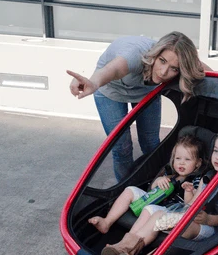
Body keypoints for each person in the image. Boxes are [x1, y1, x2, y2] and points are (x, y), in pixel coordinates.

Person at [67, 32, 209, 181]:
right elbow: (113, 70)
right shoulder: (135, 55)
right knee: (121, 147)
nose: (163, 72)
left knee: (151, 143)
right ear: (155, 54)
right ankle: (125, 187)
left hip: (145, 92)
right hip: (110, 90)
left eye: (174, 68)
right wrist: (93, 83)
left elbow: (211, 75)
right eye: (162, 61)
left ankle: (155, 184)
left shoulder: (179, 60)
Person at [101, 129, 218, 255]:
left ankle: (135, 253)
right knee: (156, 214)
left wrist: (208, 220)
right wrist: (186, 200)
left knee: (169, 220)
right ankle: (124, 248)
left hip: (212, 228)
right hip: (193, 217)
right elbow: (192, 204)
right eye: (216, 151)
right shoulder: (209, 176)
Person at [88, 133, 207, 249]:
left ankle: (126, 244)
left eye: (187, 159)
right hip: (154, 200)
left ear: (197, 163)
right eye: (178, 158)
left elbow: (188, 206)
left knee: (150, 209)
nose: (181, 162)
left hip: (168, 211)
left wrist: (188, 191)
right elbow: (152, 189)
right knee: (130, 190)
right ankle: (107, 222)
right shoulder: (170, 173)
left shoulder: (195, 180)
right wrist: (159, 181)